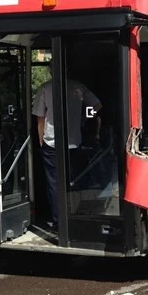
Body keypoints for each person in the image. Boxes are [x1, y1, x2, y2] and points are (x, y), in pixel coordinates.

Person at [32, 62, 102, 231]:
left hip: (52, 144)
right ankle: (76, 217)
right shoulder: (78, 87)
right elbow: (97, 106)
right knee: (74, 182)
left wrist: (41, 139)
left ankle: (58, 222)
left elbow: (40, 118)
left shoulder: (45, 88)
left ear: (51, 71)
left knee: (54, 184)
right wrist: (84, 118)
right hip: (74, 142)